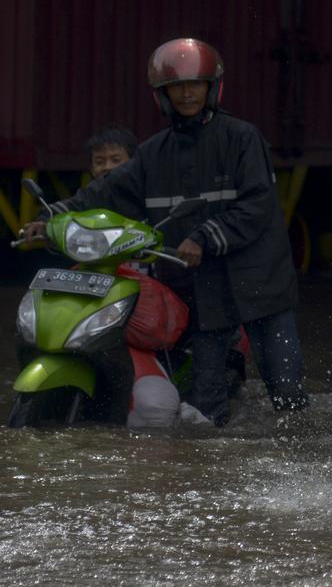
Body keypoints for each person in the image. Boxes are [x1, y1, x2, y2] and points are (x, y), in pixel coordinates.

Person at [20, 38, 307, 426]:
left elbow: (258, 206)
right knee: (206, 410)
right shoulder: (153, 153)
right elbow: (106, 190)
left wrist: (204, 236)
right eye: (177, 86)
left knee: (287, 395)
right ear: (162, 94)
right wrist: (53, 217)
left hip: (261, 288)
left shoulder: (242, 138)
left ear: (212, 88)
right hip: (205, 296)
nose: (187, 93)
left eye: (195, 84)